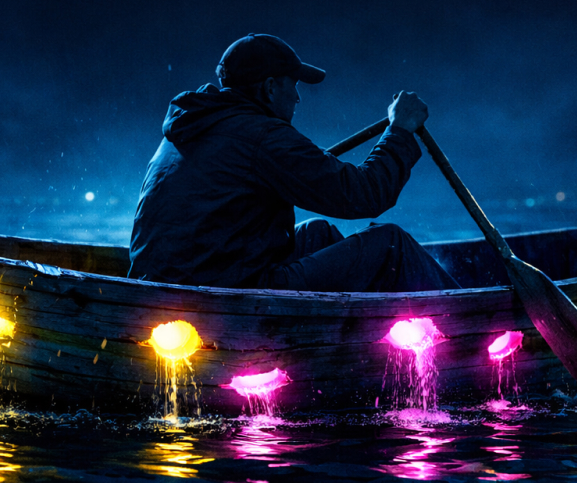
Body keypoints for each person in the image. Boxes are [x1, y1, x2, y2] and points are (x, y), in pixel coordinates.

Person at [128, 33, 460, 292]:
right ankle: (471, 330)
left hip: (167, 284)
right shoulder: (263, 136)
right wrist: (399, 130)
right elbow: (367, 193)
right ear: (271, 88)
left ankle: (364, 333)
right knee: (390, 244)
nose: (298, 97)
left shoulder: (186, 128)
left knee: (317, 233)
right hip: (229, 295)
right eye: (294, 85)